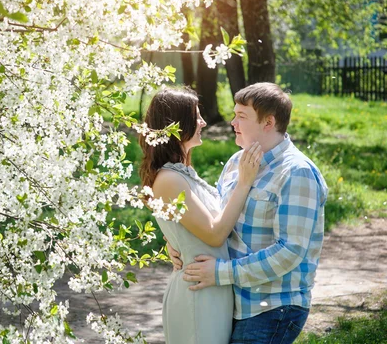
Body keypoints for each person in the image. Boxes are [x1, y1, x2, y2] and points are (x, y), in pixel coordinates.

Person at [169, 82, 328, 344]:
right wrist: (179, 243)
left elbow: (290, 252)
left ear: (268, 122)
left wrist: (221, 273)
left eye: (241, 116)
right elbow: (217, 220)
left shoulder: (297, 172)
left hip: (273, 307)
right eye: (234, 115)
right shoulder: (236, 162)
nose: (232, 122)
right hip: (233, 303)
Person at [139, 87, 263, 344]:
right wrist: (244, 183)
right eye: (196, 116)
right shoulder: (169, 179)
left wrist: (175, 243)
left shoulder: (182, 172)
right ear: (176, 124)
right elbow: (215, 234)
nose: (203, 122)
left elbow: (191, 226)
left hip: (211, 289)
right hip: (196, 294)